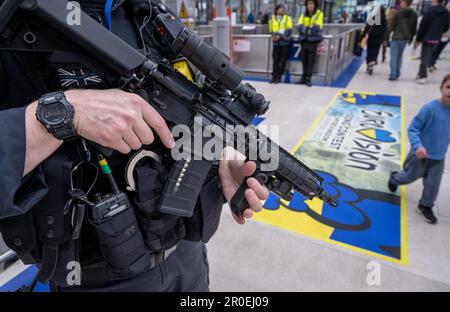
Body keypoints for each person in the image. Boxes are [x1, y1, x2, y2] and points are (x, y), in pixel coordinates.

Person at [0, 0, 268, 291]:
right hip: (95, 276)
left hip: (186, 257)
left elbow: (185, 112)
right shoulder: (14, 17)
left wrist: (216, 157)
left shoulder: (148, 14)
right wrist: (60, 114)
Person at [388, 74, 450, 224]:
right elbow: (413, 129)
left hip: (438, 158)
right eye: (448, 87)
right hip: (420, 156)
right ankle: (395, 178)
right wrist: (418, 146)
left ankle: (425, 205)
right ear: (441, 87)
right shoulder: (429, 109)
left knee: (433, 185)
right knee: (408, 177)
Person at [416, 0, 450, 84]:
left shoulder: (430, 11)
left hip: (427, 37)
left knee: (424, 57)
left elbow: (423, 25)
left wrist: (418, 38)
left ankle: (423, 76)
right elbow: (447, 26)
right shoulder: (446, 12)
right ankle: (420, 74)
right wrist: (439, 32)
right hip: (436, 38)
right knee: (428, 56)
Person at [386, 0, 418, 81]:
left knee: (393, 56)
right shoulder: (414, 14)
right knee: (400, 56)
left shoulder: (398, 13)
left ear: (404, 2)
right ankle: (397, 72)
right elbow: (414, 27)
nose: (400, 3)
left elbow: (391, 27)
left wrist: (386, 37)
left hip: (396, 37)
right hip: (405, 38)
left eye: (401, 2)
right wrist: (411, 38)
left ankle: (393, 74)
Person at [296, 0, 324, 87]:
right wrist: (309, 28)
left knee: (310, 61)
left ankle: (308, 79)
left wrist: (306, 29)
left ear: (315, 5)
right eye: (308, 4)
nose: (310, 5)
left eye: (311, 4)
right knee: (304, 60)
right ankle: (303, 78)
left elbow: (318, 28)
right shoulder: (303, 14)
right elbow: (299, 27)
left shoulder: (319, 14)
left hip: (313, 41)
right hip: (304, 40)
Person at [268, 4, 293, 83]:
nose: (281, 10)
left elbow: (289, 30)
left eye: (283, 9)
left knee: (283, 61)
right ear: (276, 10)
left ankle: (279, 77)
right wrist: (273, 36)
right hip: (276, 44)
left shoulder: (287, 18)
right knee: (275, 61)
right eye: (280, 9)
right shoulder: (272, 19)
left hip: (284, 43)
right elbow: (271, 30)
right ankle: (274, 77)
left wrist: (280, 36)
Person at [363, 5, 387, 75]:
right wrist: (384, 38)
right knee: (376, 50)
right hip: (379, 38)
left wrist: (363, 35)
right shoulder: (384, 20)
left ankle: (369, 64)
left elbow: (367, 27)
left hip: (371, 37)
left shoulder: (373, 17)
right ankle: (373, 60)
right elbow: (385, 30)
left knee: (369, 50)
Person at [429, 3, 450, 71]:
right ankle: (430, 64)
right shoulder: (443, 14)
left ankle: (432, 63)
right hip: (439, 35)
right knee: (434, 50)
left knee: (439, 51)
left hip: (447, 36)